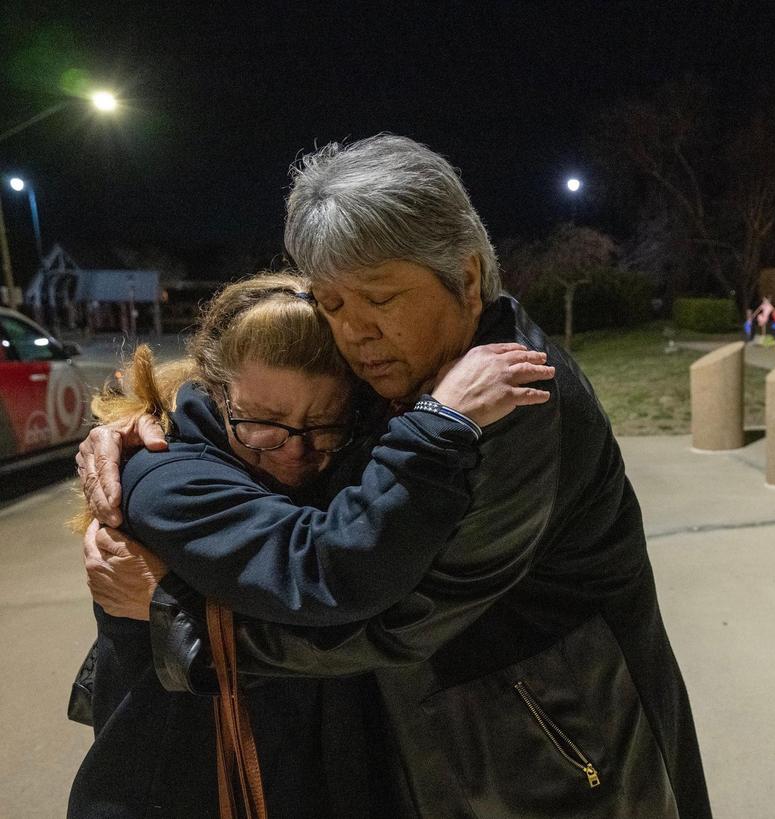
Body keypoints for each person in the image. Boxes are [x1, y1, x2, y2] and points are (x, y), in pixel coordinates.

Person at [79, 134, 712, 817]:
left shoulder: (518, 401)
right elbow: (270, 413)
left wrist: (187, 626)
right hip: (449, 754)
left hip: (561, 763)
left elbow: (390, 614)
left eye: (380, 298)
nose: (355, 333)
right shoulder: (400, 375)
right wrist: (146, 425)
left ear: (467, 279)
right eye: (333, 304)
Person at [70, 271, 552, 818]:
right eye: (264, 423)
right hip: (176, 795)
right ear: (216, 390)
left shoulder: (344, 461)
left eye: (322, 424)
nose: (294, 453)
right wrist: (440, 425)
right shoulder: (162, 478)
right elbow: (317, 570)